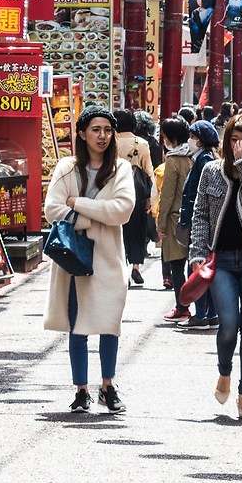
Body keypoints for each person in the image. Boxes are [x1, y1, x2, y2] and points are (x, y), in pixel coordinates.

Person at [44, 107, 137, 411]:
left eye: (108, 130)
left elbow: (122, 210)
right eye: (96, 130)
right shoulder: (67, 168)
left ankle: (108, 386)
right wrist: (94, 217)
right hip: (75, 258)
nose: (103, 136)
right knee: (78, 325)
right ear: (82, 134)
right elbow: (52, 210)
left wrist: (77, 204)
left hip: (109, 258)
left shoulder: (121, 169)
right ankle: (81, 389)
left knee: (110, 322)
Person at [188, 112, 242, 419]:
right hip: (220, 260)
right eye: (234, 140)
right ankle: (224, 370)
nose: (239, 146)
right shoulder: (211, 170)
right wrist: (197, 253)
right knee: (228, 324)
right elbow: (200, 214)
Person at [176, 120, 223, 329]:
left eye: (193, 137)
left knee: (197, 268)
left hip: (201, 223)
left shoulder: (204, 161)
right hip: (204, 222)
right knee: (207, 268)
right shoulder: (204, 159)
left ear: (201, 141)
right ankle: (211, 314)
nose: (190, 140)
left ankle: (201, 315)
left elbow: (203, 195)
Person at [155, 114, 195, 318]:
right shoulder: (193, 157)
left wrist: (160, 224)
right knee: (193, 263)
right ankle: (200, 308)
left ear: (170, 138)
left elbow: (167, 196)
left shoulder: (172, 162)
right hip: (195, 218)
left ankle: (182, 306)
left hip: (175, 220)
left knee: (177, 266)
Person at [119, 112, 158, 285]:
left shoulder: (110, 142)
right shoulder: (141, 143)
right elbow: (149, 171)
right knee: (136, 231)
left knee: (119, 232)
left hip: (115, 192)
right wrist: (151, 198)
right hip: (137, 193)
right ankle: (135, 267)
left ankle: (122, 270)